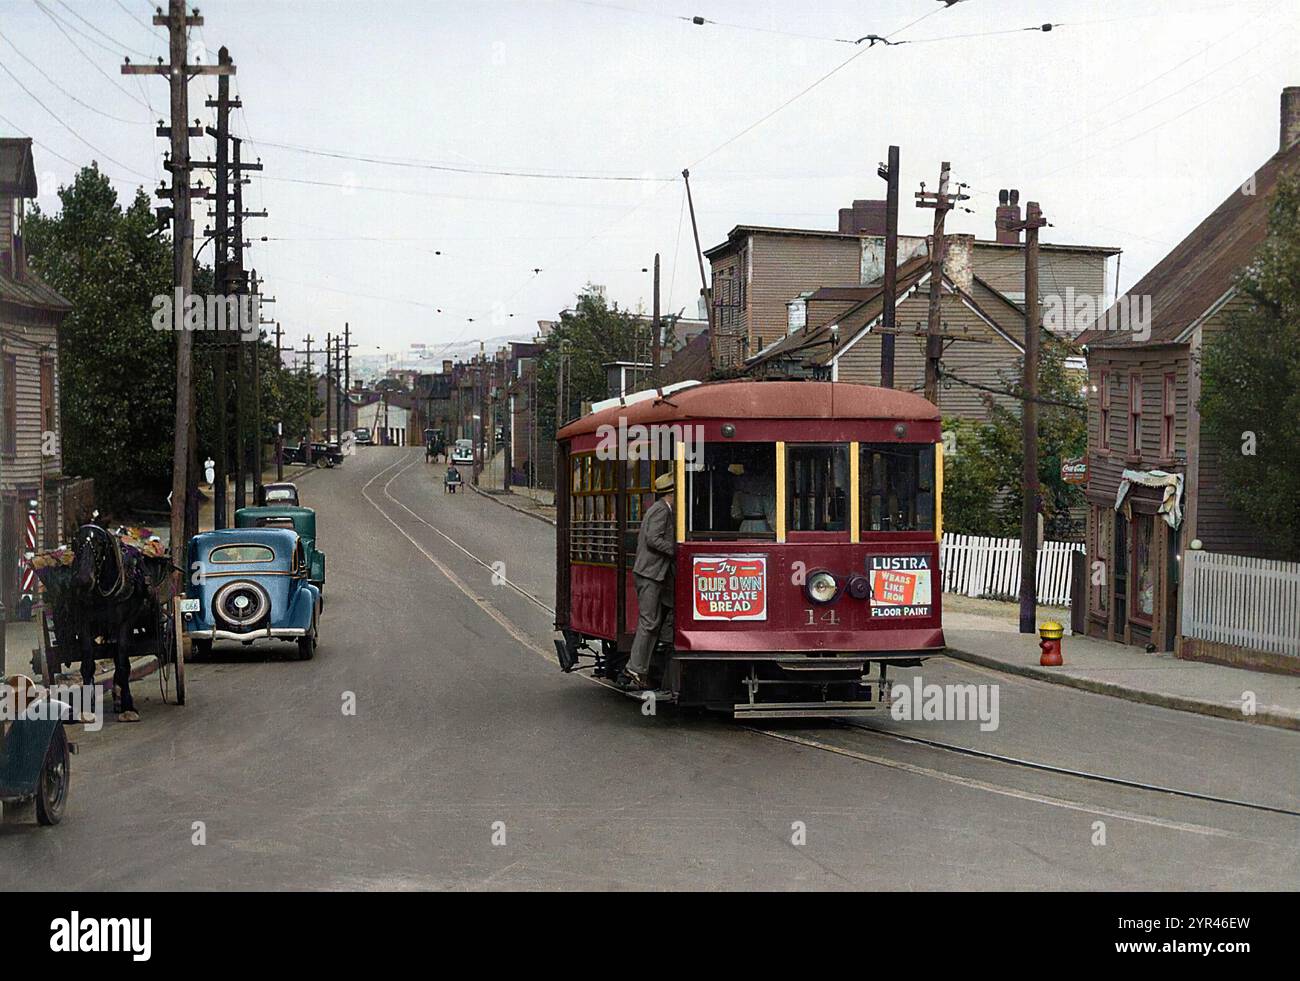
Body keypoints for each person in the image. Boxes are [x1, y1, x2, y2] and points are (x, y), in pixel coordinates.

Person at [623, 470, 676, 690]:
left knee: (669, 608)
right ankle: (635, 668)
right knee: (649, 621)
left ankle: (661, 650)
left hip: (658, 573)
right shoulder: (661, 511)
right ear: (672, 493)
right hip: (650, 573)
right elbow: (653, 539)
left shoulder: (664, 509)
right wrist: (675, 550)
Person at [728, 463, 776, 535]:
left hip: (745, 527)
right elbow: (770, 513)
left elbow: (735, 514)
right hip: (762, 527)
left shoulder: (740, 486)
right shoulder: (766, 485)